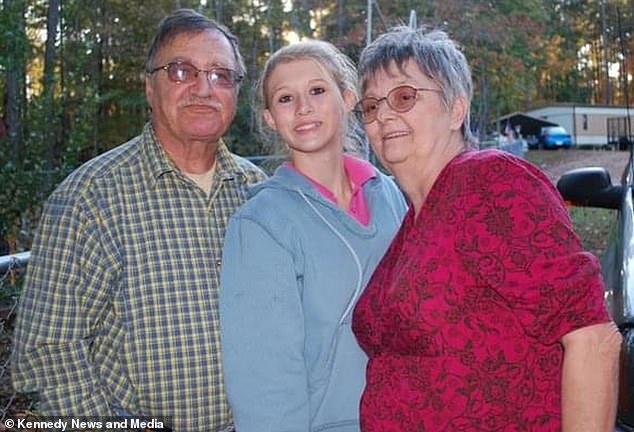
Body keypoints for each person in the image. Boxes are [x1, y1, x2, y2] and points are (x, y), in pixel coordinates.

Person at [351, 27, 622, 432]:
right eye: (371, 106)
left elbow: (591, 338)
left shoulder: (491, 182)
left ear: (456, 109)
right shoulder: (414, 220)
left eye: (404, 97)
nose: (384, 114)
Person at [12, 9, 266, 431]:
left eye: (222, 75)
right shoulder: (89, 198)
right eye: (182, 71)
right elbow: (45, 353)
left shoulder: (258, 191)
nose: (205, 88)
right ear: (150, 87)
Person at [219, 40, 407, 432]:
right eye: (286, 98)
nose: (303, 107)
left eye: (317, 91)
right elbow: (263, 380)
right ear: (271, 118)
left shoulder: (390, 195)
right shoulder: (262, 223)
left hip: (409, 413)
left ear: (348, 96)